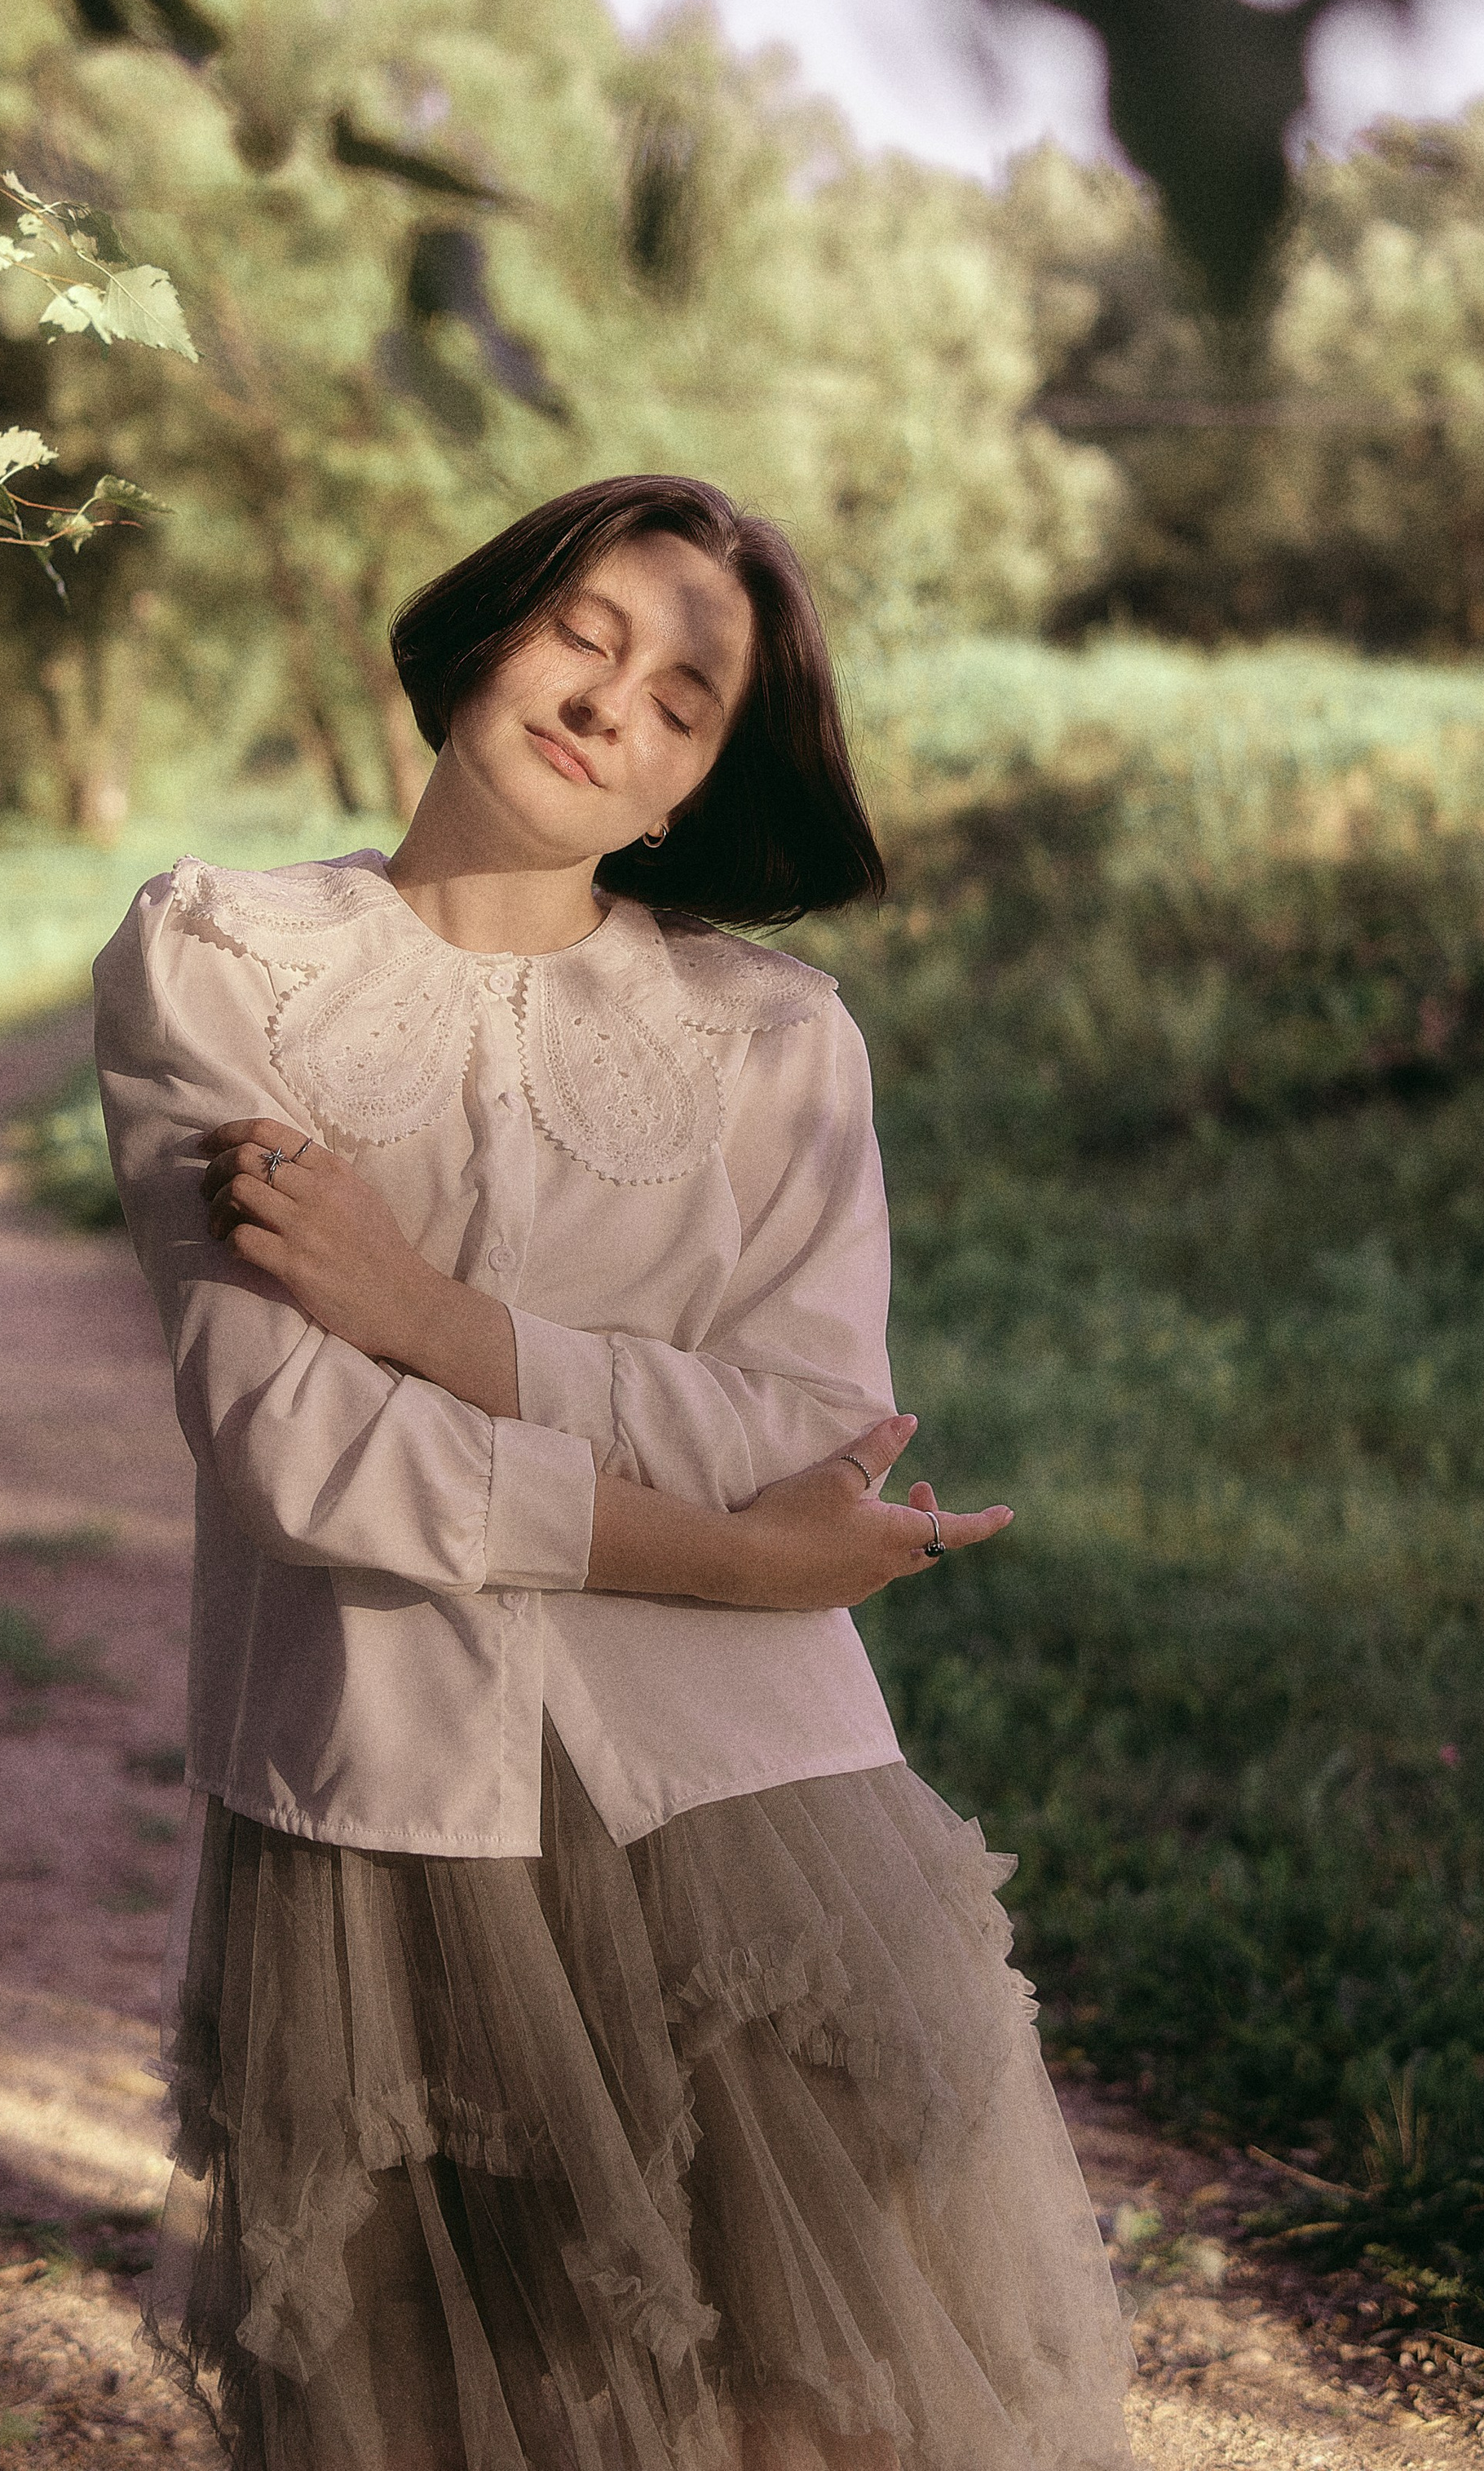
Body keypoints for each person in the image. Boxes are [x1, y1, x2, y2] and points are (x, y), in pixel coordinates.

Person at [93, 475, 1133, 2471]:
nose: (611, 703)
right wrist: (741, 1559)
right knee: (441, 2400)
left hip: (745, 1788)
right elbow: (292, 1449)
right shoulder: (220, 956)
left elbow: (809, 1428)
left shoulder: (771, 1041)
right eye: (588, 631)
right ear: (489, 627)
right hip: (386, 1805)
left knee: (809, 2398)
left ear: (689, 789)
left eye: (682, 699)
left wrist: (431, 1317)